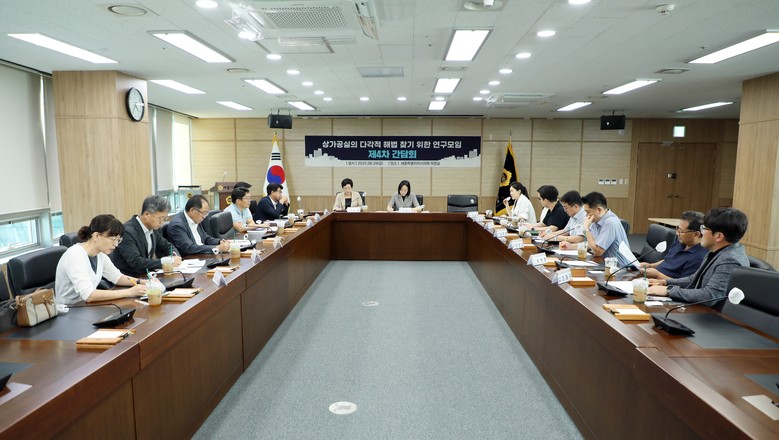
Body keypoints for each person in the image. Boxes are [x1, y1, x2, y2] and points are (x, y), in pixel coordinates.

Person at [648, 207, 749, 307]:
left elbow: (709, 296)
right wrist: (665, 282)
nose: (701, 233)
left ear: (719, 236)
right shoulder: (718, 251)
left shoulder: (730, 260)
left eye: (704, 229)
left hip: (708, 313)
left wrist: (669, 290)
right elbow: (694, 279)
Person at [55, 214, 147, 305]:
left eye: (118, 240)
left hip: (87, 307)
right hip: (69, 310)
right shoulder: (75, 255)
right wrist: (129, 292)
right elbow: (89, 295)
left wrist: (142, 282)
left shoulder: (100, 254)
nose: (116, 244)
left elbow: (117, 277)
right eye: (113, 239)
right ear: (96, 236)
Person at [111, 195, 181, 276]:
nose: (162, 222)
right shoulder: (127, 231)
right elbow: (135, 262)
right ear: (147, 214)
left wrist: (175, 257)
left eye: (164, 219)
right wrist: (164, 262)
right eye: (160, 218)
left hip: (146, 276)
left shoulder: (152, 228)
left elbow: (167, 246)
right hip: (129, 278)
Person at [560, 191, 631, 266]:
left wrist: (586, 229)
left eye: (588, 212)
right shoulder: (596, 220)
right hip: (604, 263)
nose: (586, 216)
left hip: (619, 267)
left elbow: (597, 251)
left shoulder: (610, 223)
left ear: (599, 210)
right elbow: (592, 244)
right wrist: (571, 246)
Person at [639, 211, 707, 280]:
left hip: (663, 284)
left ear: (696, 234)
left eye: (681, 231)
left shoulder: (698, 258)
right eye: (678, 228)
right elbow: (668, 260)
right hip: (653, 277)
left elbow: (684, 284)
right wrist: (650, 265)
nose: (677, 233)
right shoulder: (681, 242)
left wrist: (658, 275)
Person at [167, 195, 231, 256]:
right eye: (204, 212)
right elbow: (189, 248)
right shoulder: (177, 225)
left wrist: (219, 242)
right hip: (191, 258)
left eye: (206, 213)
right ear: (192, 210)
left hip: (202, 255)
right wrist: (217, 248)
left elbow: (205, 238)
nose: (205, 216)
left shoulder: (196, 218)